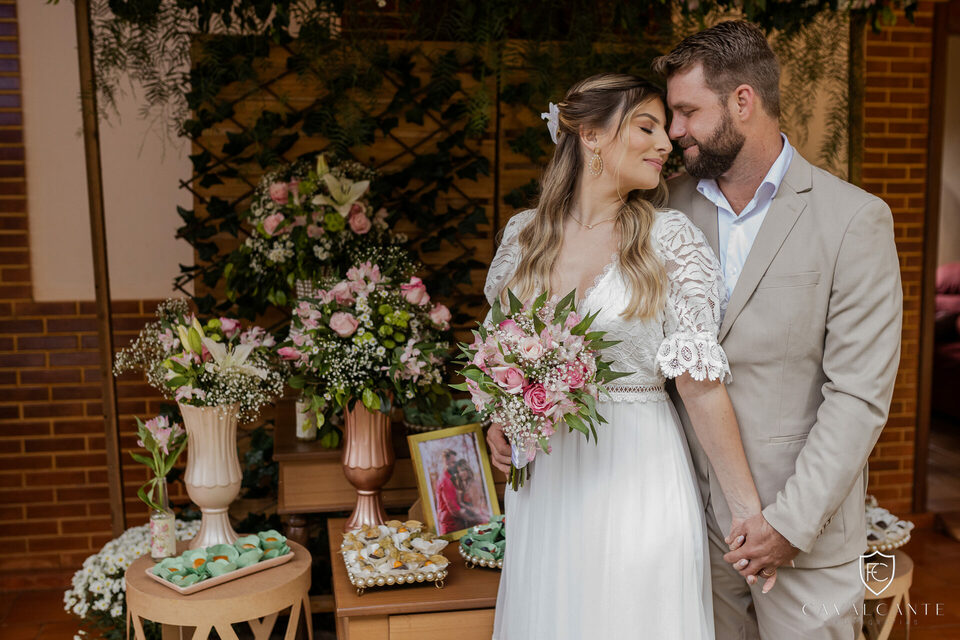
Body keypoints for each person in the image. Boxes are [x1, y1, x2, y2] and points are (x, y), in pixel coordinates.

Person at [484, 73, 763, 639]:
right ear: (589, 134)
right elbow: (500, 356)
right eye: (647, 127)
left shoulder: (669, 240)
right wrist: (499, 417)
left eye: (666, 129)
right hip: (547, 484)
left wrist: (748, 513)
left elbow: (699, 385)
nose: (666, 142)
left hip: (640, 479)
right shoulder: (524, 237)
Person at [653, 21, 902, 639]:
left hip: (805, 541)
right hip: (691, 530)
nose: (674, 130)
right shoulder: (661, 211)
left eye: (687, 111)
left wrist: (787, 525)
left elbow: (858, 397)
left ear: (743, 101)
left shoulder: (854, 220)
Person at [434, 449, 469, 535]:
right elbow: (453, 508)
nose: (455, 465)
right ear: (446, 462)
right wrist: (470, 518)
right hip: (451, 526)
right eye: (453, 462)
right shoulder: (446, 480)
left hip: (453, 523)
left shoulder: (451, 477)